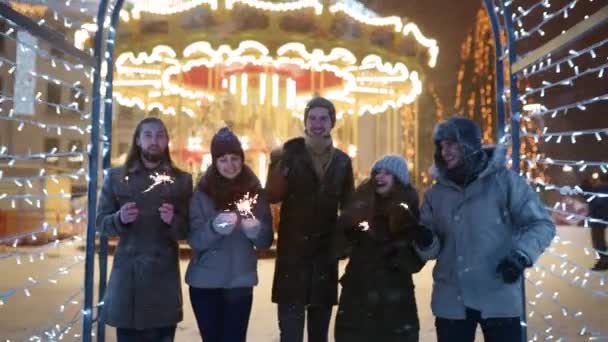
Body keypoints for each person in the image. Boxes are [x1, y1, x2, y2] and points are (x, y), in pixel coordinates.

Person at [413, 116, 555, 342]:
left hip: (498, 293)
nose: (444, 151)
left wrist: (520, 256)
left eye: (451, 144)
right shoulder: (436, 195)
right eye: (441, 146)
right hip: (453, 299)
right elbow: (431, 252)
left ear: (468, 144)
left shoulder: (505, 183)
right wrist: (425, 240)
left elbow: (541, 224)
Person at [266, 96, 355, 342]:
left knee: (319, 335)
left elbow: (349, 207)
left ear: (331, 122)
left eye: (323, 118)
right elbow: (272, 194)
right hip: (292, 256)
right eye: (312, 118)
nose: (317, 123)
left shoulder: (342, 162)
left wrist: (345, 242)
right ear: (305, 122)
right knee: (291, 334)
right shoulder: (291, 154)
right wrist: (278, 162)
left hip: (324, 257)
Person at [96, 117, 193, 342]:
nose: (154, 141)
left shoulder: (181, 181)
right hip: (128, 283)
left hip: (163, 284)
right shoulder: (117, 178)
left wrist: (174, 221)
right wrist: (119, 219)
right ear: (138, 141)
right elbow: (101, 223)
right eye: (148, 135)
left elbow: (189, 230)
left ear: (167, 141)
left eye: (160, 135)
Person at [186, 127, 273, 342]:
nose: (230, 165)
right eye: (223, 159)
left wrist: (256, 232)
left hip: (239, 282)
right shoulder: (201, 194)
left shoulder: (255, 192)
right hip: (205, 283)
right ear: (215, 162)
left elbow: (265, 240)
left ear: (242, 159)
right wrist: (214, 228)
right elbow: (194, 239)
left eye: (235, 158)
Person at [334, 155, 425, 342]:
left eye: (387, 173)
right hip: (358, 293)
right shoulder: (360, 201)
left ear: (398, 179)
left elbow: (416, 261)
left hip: (395, 298)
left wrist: (399, 247)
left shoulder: (408, 207)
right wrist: (348, 229)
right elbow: (339, 245)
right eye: (377, 172)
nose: (380, 177)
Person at [588, 174, 608, 271]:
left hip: (598, 218)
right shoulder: (602, 189)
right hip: (600, 218)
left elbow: (598, 203)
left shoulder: (602, 189)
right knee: (599, 241)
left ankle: (604, 261)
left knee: (598, 241)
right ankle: (603, 260)